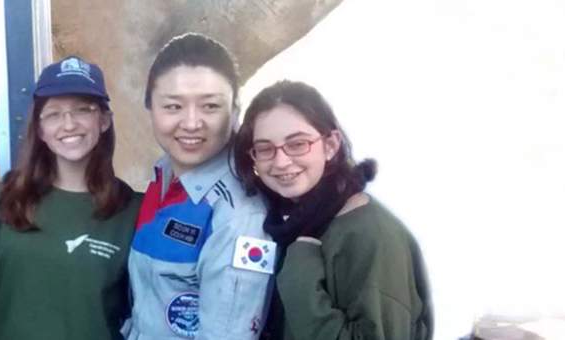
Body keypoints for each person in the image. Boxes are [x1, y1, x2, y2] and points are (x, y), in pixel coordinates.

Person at [234, 80, 434, 340]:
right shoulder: (292, 221)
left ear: (330, 145)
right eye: (265, 149)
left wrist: (300, 278)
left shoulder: (371, 236)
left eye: (297, 144)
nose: (281, 162)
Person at [122, 33, 273, 340]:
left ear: (235, 111)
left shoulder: (241, 216)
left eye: (210, 107)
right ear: (149, 106)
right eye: (173, 107)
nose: (191, 123)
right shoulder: (164, 177)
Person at [0, 56, 142, 340]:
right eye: (53, 113)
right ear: (39, 129)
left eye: (82, 110)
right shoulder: (3, 197)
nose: (69, 124)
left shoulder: (133, 210)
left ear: (103, 120)